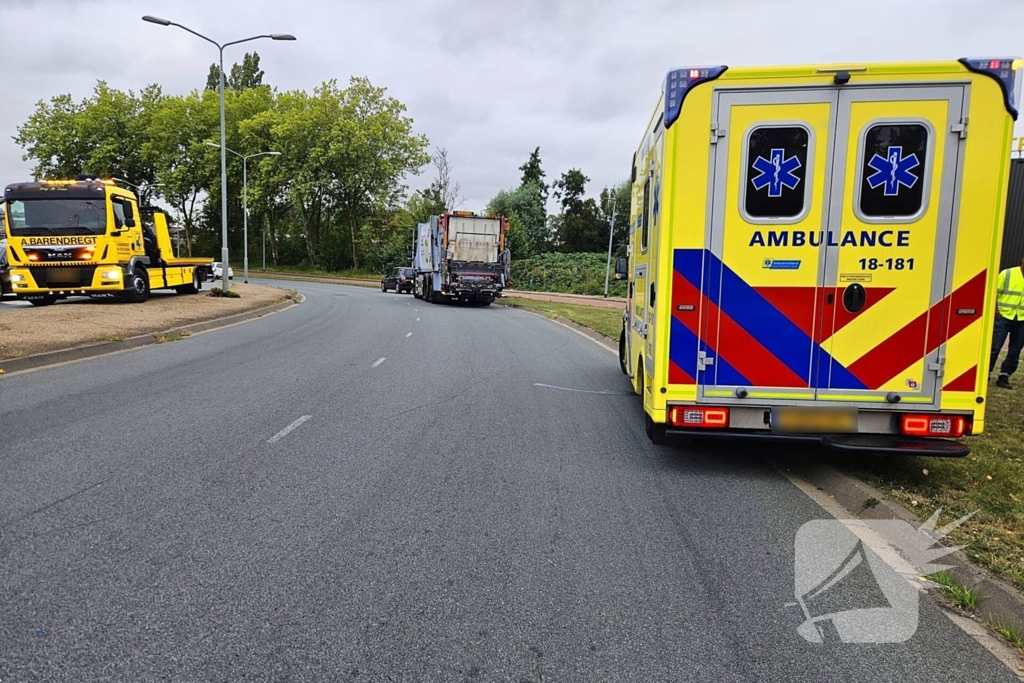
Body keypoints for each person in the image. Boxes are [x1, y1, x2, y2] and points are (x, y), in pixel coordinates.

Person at [990, 255, 1024, 389]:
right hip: (1003, 316)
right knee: (995, 347)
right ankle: (986, 373)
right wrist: (996, 312)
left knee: (1015, 351)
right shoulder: (1007, 273)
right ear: (1022, 259)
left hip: (1022, 319)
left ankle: (1004, 376)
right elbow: (994, 293)